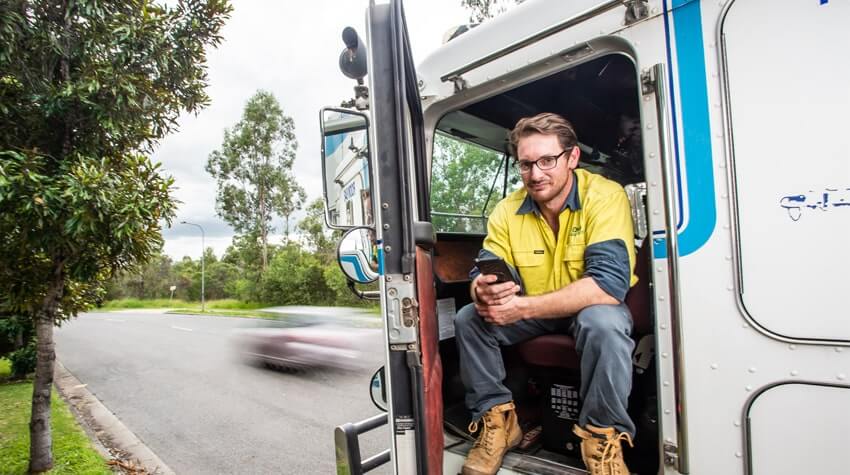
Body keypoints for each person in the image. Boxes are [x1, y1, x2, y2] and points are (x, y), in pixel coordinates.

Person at [455, 112, 637, 475]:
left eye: (547, 161)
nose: (536, 174)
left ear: (571, 158)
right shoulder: (507, 210)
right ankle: (500, 423)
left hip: (593, 307)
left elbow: (608, 284)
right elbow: (483, 269)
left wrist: (522, 308)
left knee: (603, 324)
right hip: (535, 311)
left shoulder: (605, 196)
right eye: (526, 164)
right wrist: (482, 291)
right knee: (469, 319)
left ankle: (601, 437)